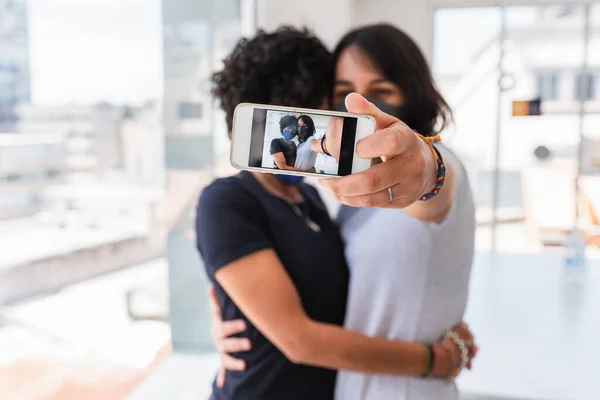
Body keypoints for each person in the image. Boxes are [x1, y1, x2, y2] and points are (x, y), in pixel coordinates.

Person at [199, 26, 475, 400]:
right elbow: (299, 338)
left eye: (382, 92)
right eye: (344, 93)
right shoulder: (234, 200)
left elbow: (432, 183)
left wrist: (428, 166)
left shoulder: (316, 198)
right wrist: (434, 359)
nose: (363, 104)